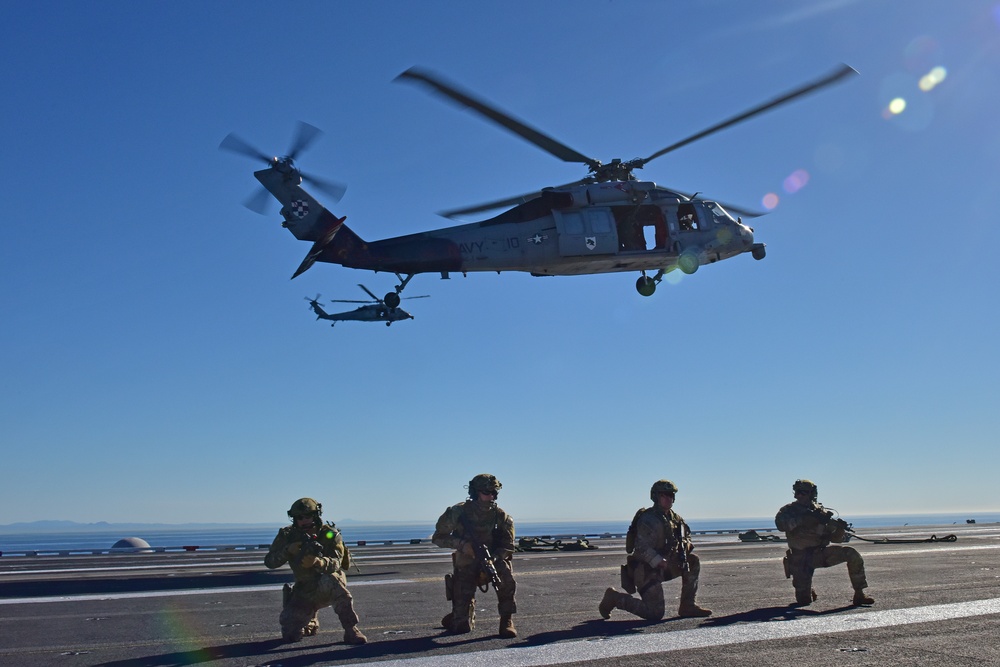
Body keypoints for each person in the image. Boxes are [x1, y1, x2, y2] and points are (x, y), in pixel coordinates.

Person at [599, 480, 712, 621]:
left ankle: (687, 606)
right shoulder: (648, 519)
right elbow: (641, 547)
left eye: (671, 495)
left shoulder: (675, 519)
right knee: (654, 613)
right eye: (665, 495)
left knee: (693, 560)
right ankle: (615, 598)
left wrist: (685, 546)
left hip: (666, 565)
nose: (669, 499)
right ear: (656, 497)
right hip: (646, 570)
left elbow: (687, 536)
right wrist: (657, 560)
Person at [264, 497, 368, 644]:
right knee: (290, 635)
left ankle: (351, 629)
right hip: (304, 588)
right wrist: (287, 551)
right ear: (294, 519)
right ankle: (310, 622)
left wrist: (318, 562)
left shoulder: (329, 534)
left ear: (316, 515)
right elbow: (269, 562)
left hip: (326, 585)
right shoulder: (287, 535)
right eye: (300, 517)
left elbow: (336, 563)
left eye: (308, 516)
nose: (304, 520)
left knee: (331, 579)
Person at [432, 473, 517, 638]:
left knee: (505, 578)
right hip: (467, 562)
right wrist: (462, 545)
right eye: (487, 492)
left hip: (491, 560)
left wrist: (496, 557)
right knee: (461, 628)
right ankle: (458, 617)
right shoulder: (457, 512)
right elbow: (438, 538)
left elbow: (508, 545)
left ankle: (506, 619)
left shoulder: (501, 516)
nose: (491, 496)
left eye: (494, 492)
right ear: (475, 492)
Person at [774, 479, 875, 607]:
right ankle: (808, 588)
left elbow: (835, 539)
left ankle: (859, 593)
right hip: (800, 558)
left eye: (804, 492)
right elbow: (781, 525)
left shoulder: (820, 512)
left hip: (819, 554)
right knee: (803, 601)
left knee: (851, 554)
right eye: (798, 492)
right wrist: (804, 520)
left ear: (811, 494)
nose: (800, 495)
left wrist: (839, 529)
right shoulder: (788, 510)